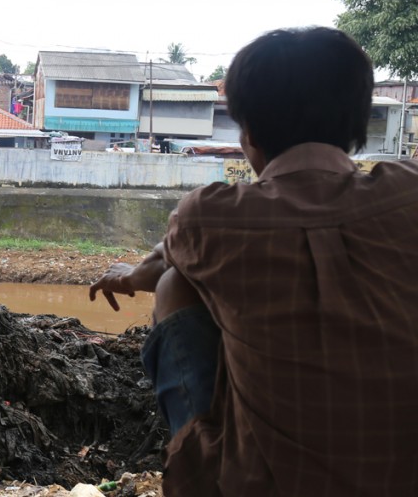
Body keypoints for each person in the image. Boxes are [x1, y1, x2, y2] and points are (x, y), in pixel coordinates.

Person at [89, 27, 418, 496]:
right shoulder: (409, 193)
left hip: (259, 486)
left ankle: (199, 468)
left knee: (175, 283)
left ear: (248, 136)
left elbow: (159, 266)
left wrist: (127, 277)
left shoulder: (212, 216)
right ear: (358, 125)